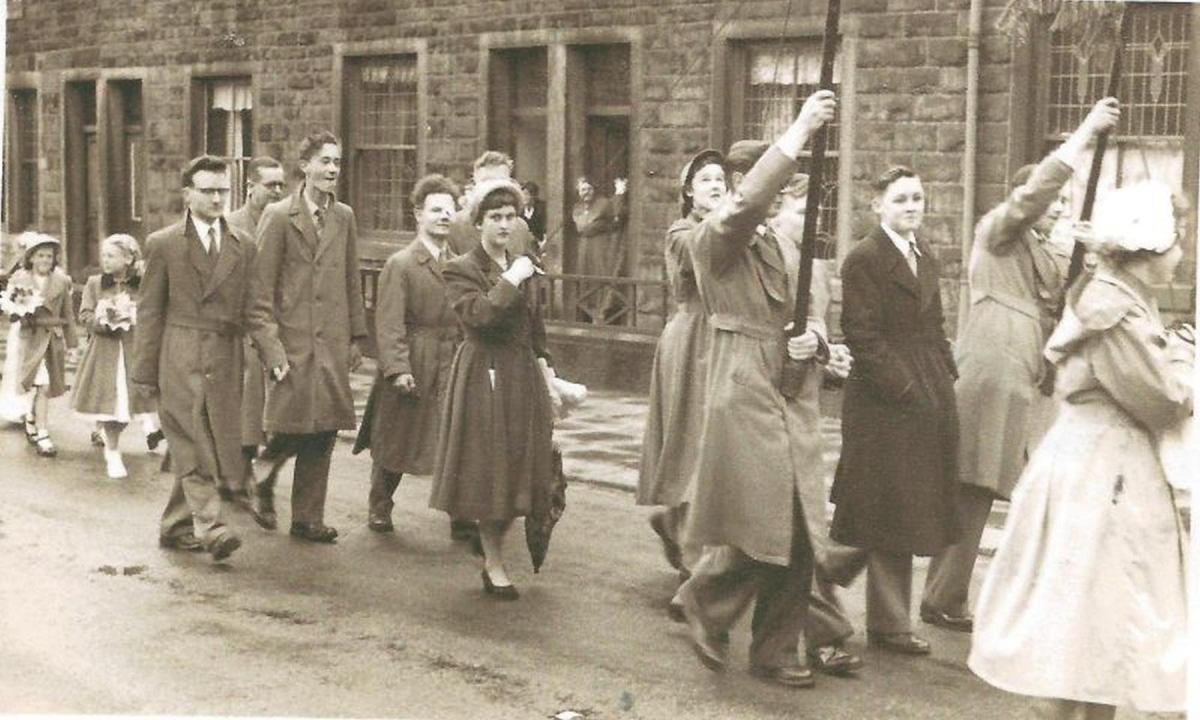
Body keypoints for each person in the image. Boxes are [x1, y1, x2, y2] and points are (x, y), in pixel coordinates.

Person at [969, 180, 1192, 719]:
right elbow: (1161, 400)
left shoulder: (1117, 296)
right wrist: (1186, 362)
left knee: (1090, 632)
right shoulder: (1115, 309)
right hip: (1105, 474)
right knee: (1094, 626)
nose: (1183, 251)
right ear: (1149, 247)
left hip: (1095, 464)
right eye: (1178, 239)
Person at [920, 99, 1122, 633]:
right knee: (976, 483)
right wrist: (1084, 134)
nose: (1056, 211)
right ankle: (939, 593)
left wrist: (1090, 261)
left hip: (1021, 373)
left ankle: (946, 593)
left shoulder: (1038, 250)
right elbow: (1032, 202)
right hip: (995, 366)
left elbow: (1065, 306)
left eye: (1061, 205)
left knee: (983, 486)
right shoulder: (999, 231)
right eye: (1050, 204)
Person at [672, 90, 837, 689]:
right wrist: (798, 131)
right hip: (742, 384)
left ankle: (772, 647)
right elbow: (740, 211)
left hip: (792, 390)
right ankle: (706, 598)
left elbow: (812, 305)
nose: (771, 195)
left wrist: (812, 339)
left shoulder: (787, 244)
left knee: (796, 526)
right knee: (768, 523)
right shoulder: (710, 241)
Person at [827, 166, 960, 656]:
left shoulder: (926, 256)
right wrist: (905, 388)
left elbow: (938, 324)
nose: (912, 207)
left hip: (925, 389)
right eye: (901, 199)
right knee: (877, 507)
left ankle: (885, 620)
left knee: (900, 509)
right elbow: (862, 336)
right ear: (878, 206)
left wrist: (945, 375)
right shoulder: (865, 258)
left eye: (918, 198)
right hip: (883, 401)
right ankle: (818, 581)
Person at [132, 155, 270, 561]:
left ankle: (175, 525)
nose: (216, 199)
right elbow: (149, 311)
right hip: (179, 352)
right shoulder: (164, 244)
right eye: (207, 190)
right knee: (192, 438)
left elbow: (256, 308)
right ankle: (210, 526)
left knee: (203, 439)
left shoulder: (243, 245)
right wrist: (144, 372)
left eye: (222, 191)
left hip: (224, 357)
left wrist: (274, 354)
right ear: (187, 194)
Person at [429, 178, 556, 600]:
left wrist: (550, 374)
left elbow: (534, 328)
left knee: (521, 466)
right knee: (493, 471)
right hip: (485, 373)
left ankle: (490, 547)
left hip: (521, 375)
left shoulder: (523, 261)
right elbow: (479, 316)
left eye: (511, 216)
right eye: (495, 217)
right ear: (479, 222)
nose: (505, 224)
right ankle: (494, 561)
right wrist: (512, 280)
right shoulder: (460, 268)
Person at [249, 131, 369, 544]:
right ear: (305, 166)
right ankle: (262, 477)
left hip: (332, 341)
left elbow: (352, 278)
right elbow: (259, 290)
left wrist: (356, 336)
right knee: (291, 423)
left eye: (336, 162)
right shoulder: (280, 216)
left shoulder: (344, 217)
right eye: (324, 162)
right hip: (292, 340)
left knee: (325, 427)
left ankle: (307, 518)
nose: (332, 170)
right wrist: (270, 346)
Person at [353, 174, 462, 533]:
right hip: (415, 357)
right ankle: (380, 503)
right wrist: (397, 368)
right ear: (418, 214)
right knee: (398, 435)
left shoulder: (461, 265)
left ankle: (462, 513)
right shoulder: (401, 264)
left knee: (455, 435)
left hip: (452, 359)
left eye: (450, 209)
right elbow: (388, 324)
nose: (444, 216)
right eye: (435, 210)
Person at [637, 149, 725, 578]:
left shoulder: (730, 226)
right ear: (689, 192)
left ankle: (675, 522)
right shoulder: (681, 231)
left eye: (721, 179)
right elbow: (703, 253)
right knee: (691, 440)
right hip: (691, 342)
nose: (715, 185)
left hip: (723, 340)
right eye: (705, 179)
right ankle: (692, 557)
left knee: (716, 445)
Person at [71, 234, 158, 478]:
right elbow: (85, 316)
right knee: (112, 405)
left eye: (111, 255)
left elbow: (153, 313)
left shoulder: (143, 284)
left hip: (134, 350)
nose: (105, 260)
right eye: (104, 256)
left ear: (128, 258)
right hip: (105, 352)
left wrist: (133, 316)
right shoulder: (95, 283)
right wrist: (104, 319)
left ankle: (122, 438)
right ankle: (113, 451)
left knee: (130, 404)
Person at [227, 156, 288, 490]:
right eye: (270, 185)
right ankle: (239, 470)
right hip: (241, 328)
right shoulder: (233, 224)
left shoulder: (285, 221)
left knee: (278, 405)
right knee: (247, 401)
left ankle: (260, 469)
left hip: (277, 325)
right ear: (251, 186)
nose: (277, 191)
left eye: (281, 185)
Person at [0, 232, 78, 456]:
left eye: (49, 256)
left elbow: (68, 314)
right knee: (34, 384)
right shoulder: (19, 280)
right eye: (40, 255)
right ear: (31, 258)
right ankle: (37, 425)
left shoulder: (62, 281)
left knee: (43, 385)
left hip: (51, 338)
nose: (45, 260)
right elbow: (11, 313)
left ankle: (37, 425)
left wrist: (72, 345)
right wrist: (19, 311)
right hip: (28, 337)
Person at [447, 152, 535, 258]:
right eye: (486, 182)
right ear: (475, 185)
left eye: (500, 182)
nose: (493, 189)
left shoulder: (520, 227)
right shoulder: (455, 226)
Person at [571, 176, 627, 324]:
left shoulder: (603, 204)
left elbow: (616, 214)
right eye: (583, 189)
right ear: (578, 192)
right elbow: (581, 227)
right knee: (584, 278)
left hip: (600, 247)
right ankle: (586, 313)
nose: (586, 192)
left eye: (589, 189)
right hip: (584, 248)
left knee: (600, 276)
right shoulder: (577, 208)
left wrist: (619, 193)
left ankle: (602, 312)